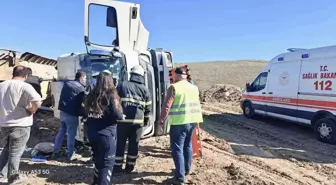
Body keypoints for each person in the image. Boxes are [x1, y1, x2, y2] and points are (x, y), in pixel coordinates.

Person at [159, 67, 203, 185]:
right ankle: (186, 170)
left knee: (177, 148)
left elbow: (167, 105)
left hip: (179, 122)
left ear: (177, 75)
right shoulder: (194, 87)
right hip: (193, 121)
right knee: (187, 145)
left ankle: (179, 178)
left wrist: (162, 119)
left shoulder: (174, 87)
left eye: (173, 75)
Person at [0, 66, 42, 184]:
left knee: (3, 150)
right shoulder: (25, 86)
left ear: (13, 73)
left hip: (3, 124)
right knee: (15, 153)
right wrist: (32, 110)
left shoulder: (2, 85)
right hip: (20, 125)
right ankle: (13, 179)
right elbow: (37, 101)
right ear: (26, 76)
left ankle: (1, 175)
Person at [84, 70, 124, 185]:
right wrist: (122, 115)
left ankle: (95, 182)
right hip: (106, 136)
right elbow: (117, 115)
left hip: (92, 134)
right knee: (107, 164)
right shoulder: (111, 95)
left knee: (97, 160)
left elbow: (85, 112)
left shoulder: (91, 95)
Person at [113, 65, 152, 174]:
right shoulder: (145, 89)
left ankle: (117, 167)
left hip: (122, 122)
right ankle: (129, 168)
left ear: (132, 75)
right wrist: (145, 121)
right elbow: (148, 108)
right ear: (141, 76)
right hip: (137, 123)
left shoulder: (122, 85)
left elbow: (114, 102)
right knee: (133, 145)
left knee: (120, 144)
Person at [52, 70, 87, 161]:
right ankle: (71, 154)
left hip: (63, 112)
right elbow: (83, 104)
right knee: (71, 135)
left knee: (61, 132)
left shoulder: (67, 84)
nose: (86, 80)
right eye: (85, 78)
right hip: (71, 115)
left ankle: (56, 151)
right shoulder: (80, 89)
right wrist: (85, 114)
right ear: (81, 78)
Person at [24, 67, 42, 133]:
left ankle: (29, 128)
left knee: (28, 114)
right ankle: (35, 129)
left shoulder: (24, 79)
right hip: (37, 99)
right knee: (35, 114)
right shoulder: (36, 78)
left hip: (28, 99)